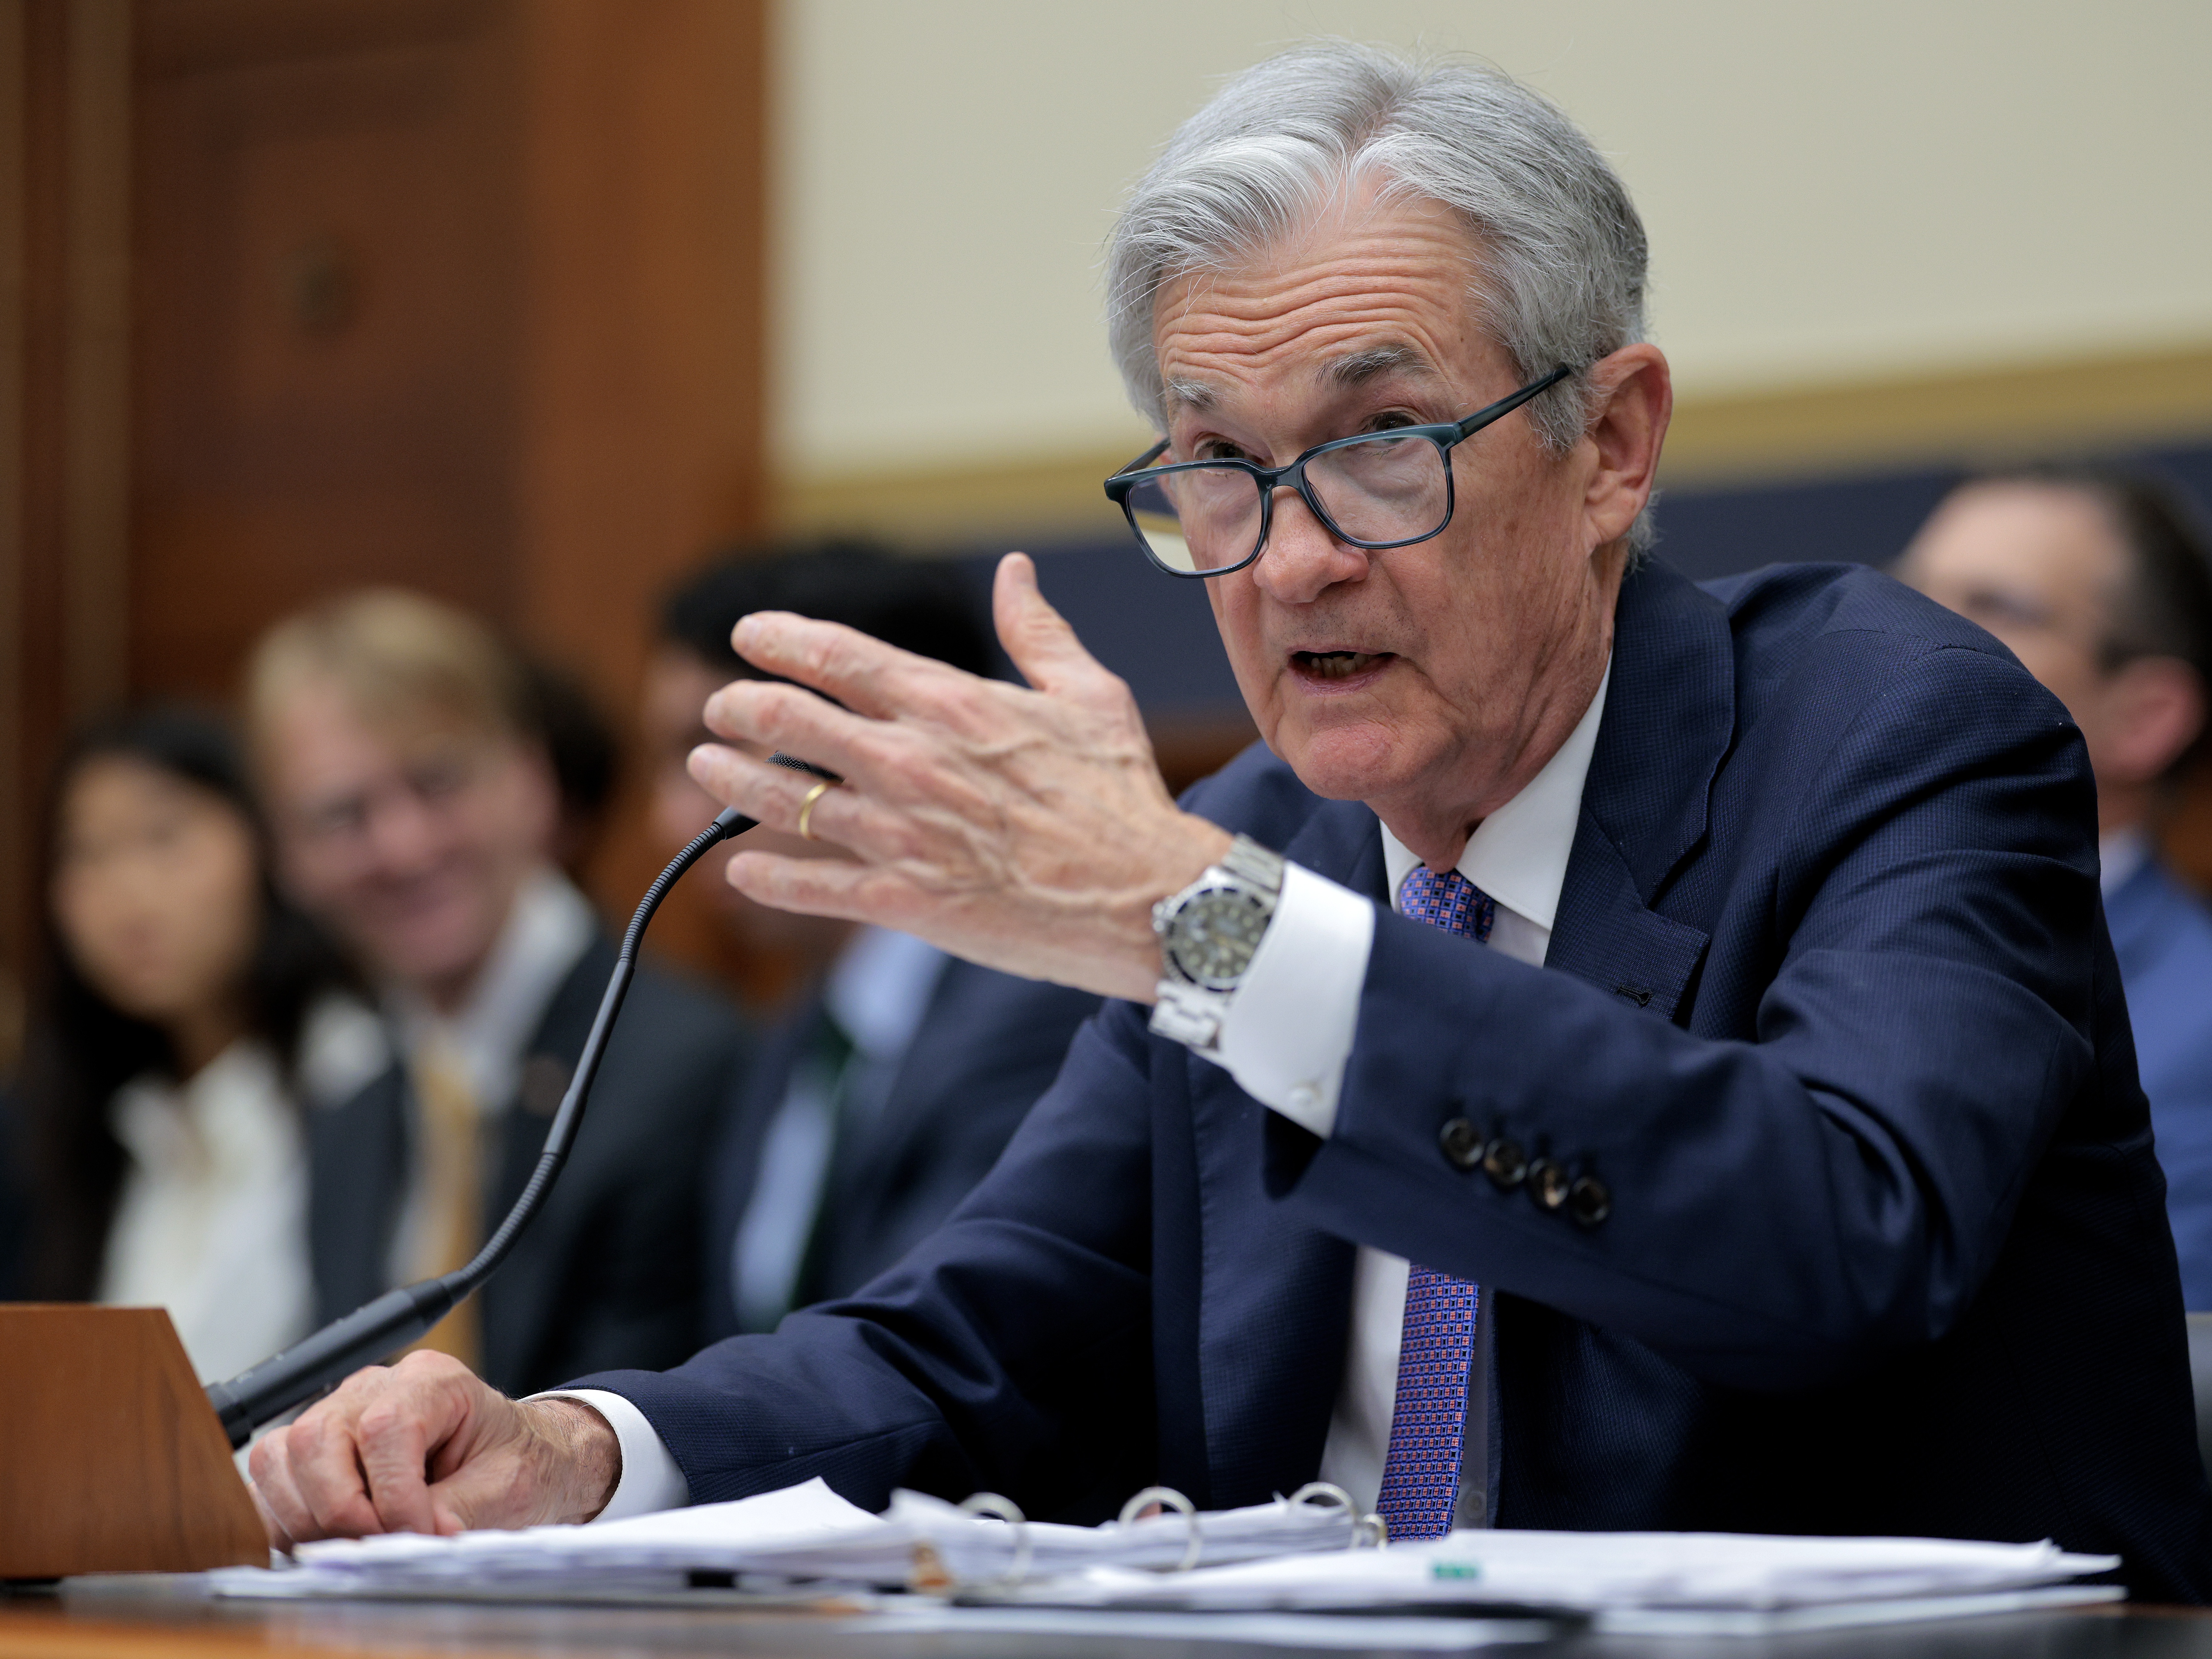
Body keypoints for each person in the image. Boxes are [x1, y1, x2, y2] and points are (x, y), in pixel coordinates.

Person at [249, 43, 2212, 1598]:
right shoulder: (1250, 834)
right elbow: (975, 1344)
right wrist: (585, 1449)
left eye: (1373, 451)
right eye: (1211, 471)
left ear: (1606, 444)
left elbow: (1835, 1235)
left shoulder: (1893, 730)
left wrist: (1203, 924)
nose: (1281, 564)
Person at [245, 590, 747, 1397]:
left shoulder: (679, 1064)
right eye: (343, 815)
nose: (402, 847)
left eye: (437, 781)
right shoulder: (347, 1119)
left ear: (532, 781)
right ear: (288, 857)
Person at [645, 543, 1101, 1339]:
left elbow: (933, 1343)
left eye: (720, 753)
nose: (674, 821)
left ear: (878, 740)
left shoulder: (1048, 1009)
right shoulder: (794, 1035)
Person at [1897, 467, 2212, 1305]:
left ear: (2146, 716)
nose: (1899, 633)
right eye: (1907, 590)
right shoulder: (1779, 934)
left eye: (1995, 604)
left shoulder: (2199, 1028)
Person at [1, 707, 351, 1382]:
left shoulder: (357, 1076)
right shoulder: (64, 1121)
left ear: (267, 842)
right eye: (87, 853)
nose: (127, 893)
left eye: (164, 837)